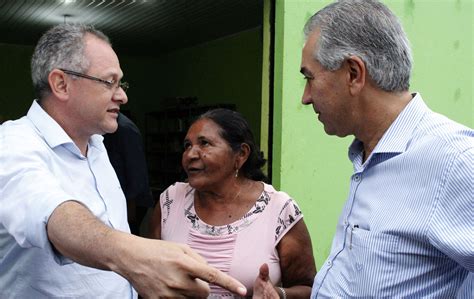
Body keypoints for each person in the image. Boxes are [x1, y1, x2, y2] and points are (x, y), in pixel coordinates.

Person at [0, 24, 247, 298]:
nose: (122, 96)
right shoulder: (12, 144)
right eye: (109, 82)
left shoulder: (97, 144)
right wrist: (136, 256)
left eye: (121, 83)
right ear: (61, 84)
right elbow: (53, 213)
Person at [299, 0, 473, 298]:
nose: (305, 97)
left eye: (309, 78)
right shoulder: (368, 154)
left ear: (354, 73)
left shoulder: (454, 160)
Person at [149, 108, 316, 298]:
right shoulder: (170, 202)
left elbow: (310, 290)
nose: (190, 155)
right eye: (187, 145)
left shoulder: (279, 210)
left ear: (241, 154)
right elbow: (148, 273)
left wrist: (278, 294)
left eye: (204, 143)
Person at [103, 112, 154, 235]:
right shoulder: (102, 127)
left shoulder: (124, 129)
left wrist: (130, 208)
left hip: (130, 203)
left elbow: (136, 172)